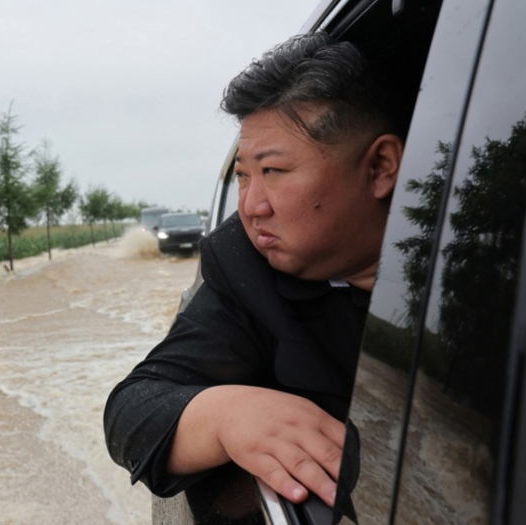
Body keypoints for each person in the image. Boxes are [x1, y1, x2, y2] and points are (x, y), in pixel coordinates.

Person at [103, 31, 405, 508]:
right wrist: (224, 415)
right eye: (243, 175)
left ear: (381, 168)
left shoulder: (487, 270)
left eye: (274, 172)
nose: (250, 206)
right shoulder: (244, 267)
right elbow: (132, 412)